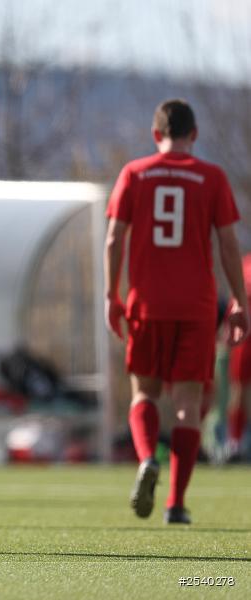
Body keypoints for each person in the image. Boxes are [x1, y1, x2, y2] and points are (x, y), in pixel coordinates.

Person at [105, 99, 248, 524]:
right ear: (195, 135)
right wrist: (238, 299)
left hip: (147, 302)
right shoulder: (211, 177)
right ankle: (176, 504)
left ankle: (148, 457)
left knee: (144, 394)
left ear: (155, 134)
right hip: (197, 307)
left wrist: (111, 295)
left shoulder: (135, 173)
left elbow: (114, 238)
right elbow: (227, 244)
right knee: (187, 402)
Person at [226, 254, 251, 461]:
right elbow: (236, 300)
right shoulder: (245, 264)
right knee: (239, 390)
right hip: (246, 339)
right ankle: (235, 442)